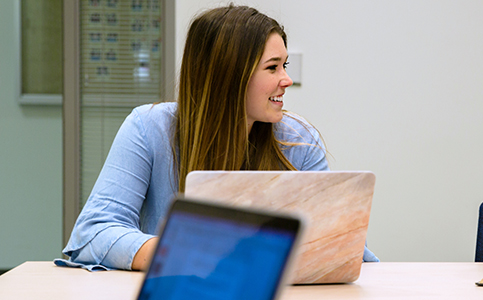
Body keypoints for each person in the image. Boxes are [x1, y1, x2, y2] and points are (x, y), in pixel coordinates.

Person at [60, 5, 378, 271]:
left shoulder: (299, 140)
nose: (287, 79)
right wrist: (181, 253)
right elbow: (93, 232)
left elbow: (344, 248)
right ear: (228, 75)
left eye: (285, 65)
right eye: (272, 68)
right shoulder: (148, 128)